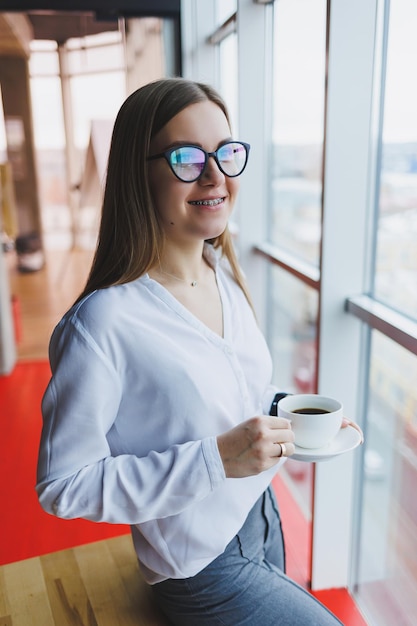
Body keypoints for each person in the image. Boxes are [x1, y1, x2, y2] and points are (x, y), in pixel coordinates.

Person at [36, 77, 344, 626]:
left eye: (227, 153)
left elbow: (229, 394)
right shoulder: (102, 324)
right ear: (139, 172)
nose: (216, 176)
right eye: (186, 157)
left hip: (261, 516)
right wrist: (216, 459)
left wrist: (286, 413)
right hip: (204, 568)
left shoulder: (220, 270)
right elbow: (63, 485)